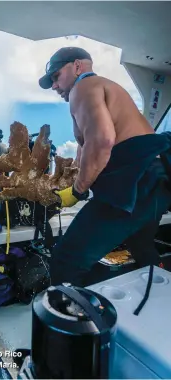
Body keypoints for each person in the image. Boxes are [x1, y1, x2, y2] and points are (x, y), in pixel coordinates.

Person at [39, 47, 171, 287]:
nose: (54, 86)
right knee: (140, 245)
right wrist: (72, 178)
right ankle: (161, 303)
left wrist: (77, 191)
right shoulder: (105, 88)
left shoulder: (83, 87)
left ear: (78, 66)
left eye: (56, 77)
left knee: (66, 260)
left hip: (134, 185)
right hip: (156, 181)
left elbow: (102, 141)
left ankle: (78, 319)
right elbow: (86, 145)